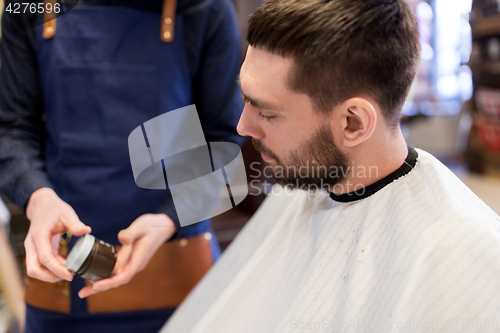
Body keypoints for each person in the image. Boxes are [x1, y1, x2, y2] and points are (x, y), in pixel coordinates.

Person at [159, 0, 500, 332]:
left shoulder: (461, 256)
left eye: (267, 111)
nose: (243, 127)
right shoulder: (301, 186)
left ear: (352, 122)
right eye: (245, 99)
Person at [0, 0, 243, 332]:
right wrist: (37, 198)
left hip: (175, 263)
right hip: (63, 272)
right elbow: (11, 128)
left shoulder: (205, 8)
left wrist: (169, 218)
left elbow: (222, 139)